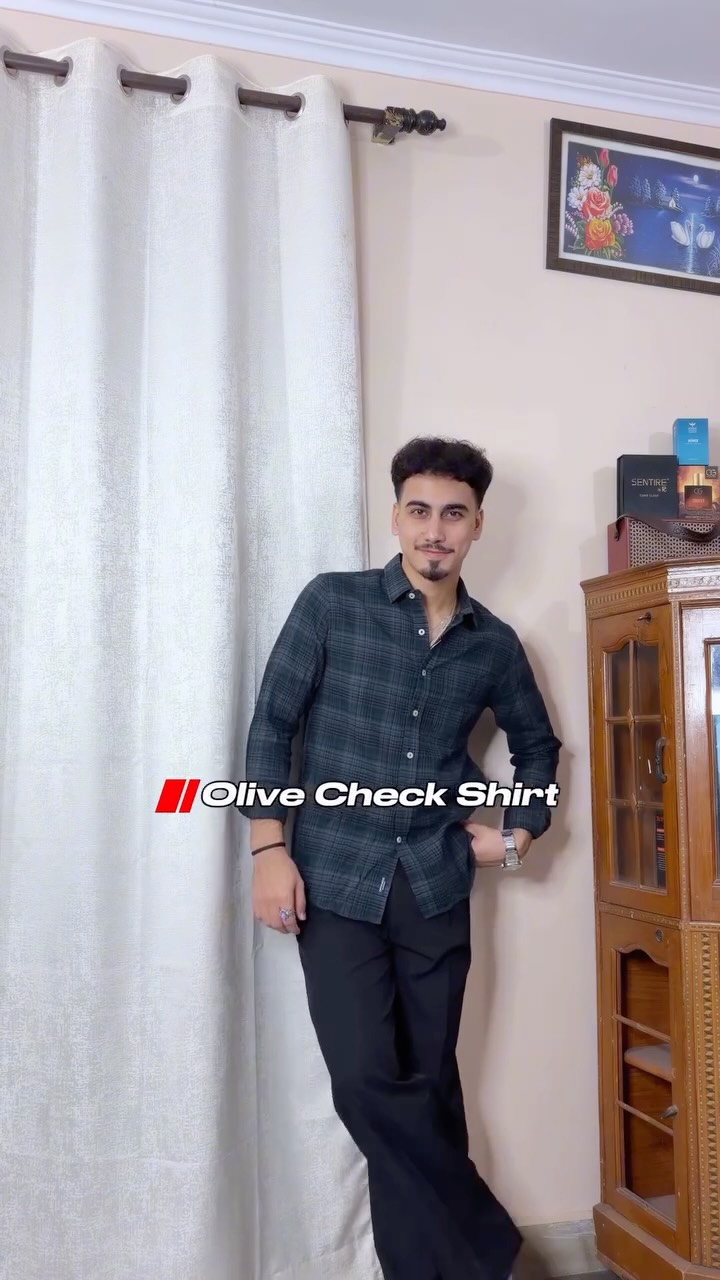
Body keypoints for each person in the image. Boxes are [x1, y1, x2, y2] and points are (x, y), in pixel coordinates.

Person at [238, 436, 562, 1280]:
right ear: (395, 517)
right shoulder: (332, 604)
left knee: (430, 1086)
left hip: (434, 883)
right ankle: (491, 1248)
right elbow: (273, 726)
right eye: (419, 511)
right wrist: (268, 847)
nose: (434, 530)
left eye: (453, 514)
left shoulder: (493, 644)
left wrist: (519, 834)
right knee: (366, 1081)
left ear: (478, 524)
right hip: (335, 879)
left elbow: (537, 746)